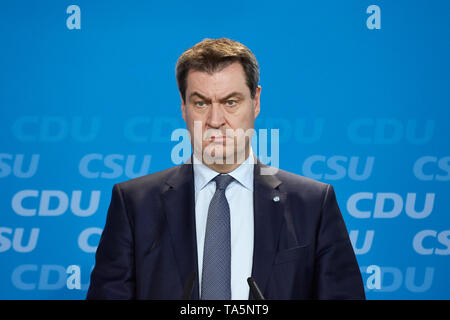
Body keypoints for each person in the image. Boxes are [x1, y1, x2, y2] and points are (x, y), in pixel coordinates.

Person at [86, 38, 365, 300]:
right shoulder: (134, 204)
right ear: (183, 107)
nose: (215, 120)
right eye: (201, 103)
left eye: (230, 102)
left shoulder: (313, 204)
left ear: (255, 101)